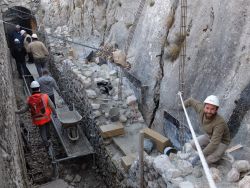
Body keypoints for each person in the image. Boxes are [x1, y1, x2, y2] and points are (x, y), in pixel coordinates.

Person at [184, 95, 230, 165]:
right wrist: (181, 106)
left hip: (221, 142)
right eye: (207, 108)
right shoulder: (201, 109)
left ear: (216, 110)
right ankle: (209, 150)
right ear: (204, 106)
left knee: (207, 160)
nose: (209, 111)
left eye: (212, 109)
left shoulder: (219, 123)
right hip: (209, 136)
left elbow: (214, 143)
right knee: (193, 144)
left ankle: (219, 154)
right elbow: (191, 100)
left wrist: (199, 156)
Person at [16, 81, 56, 147]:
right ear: (39, 88)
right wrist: (55, 114)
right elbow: (52, 106)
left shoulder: (29, 99)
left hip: (37, 119)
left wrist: (17, 112)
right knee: (47, 127)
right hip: (46, 116)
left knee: (42, 130)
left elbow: (24, 109)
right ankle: (48, 138)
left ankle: (46, 142)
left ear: (32, 89)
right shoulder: (45, 96)